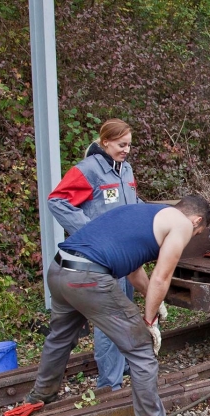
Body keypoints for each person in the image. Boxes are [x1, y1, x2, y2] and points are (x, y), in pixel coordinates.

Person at [25, 197, 210, 416]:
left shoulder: (144, 213)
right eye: (197, 231)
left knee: (60, 337)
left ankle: (41, 396)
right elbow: (161, 277)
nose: (192, 234)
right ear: (196, 220)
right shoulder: (181, 224)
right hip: (88, 278)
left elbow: (134, 270)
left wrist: (155, 302)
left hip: (60, 270)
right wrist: (148, 322)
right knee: (141, 350)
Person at [47, 118, 151, 392]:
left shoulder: (125, 169)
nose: (127, 149)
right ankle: (110, 384)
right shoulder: (88, 170)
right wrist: (90, 231)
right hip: (100, 260)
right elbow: (57, 200)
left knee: (126, 312)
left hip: (124, 257)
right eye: (121, 144)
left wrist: (151, 214)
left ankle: (123, 365)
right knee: (111, 321)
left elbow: (130, 203)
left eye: (129, 145)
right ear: (105, 142)